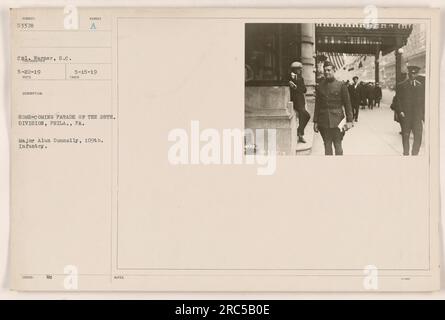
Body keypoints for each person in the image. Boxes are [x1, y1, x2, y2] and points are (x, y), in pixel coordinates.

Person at [313, 61, 354, 155]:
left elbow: (348, 104)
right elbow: (317, 105)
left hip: (338, 121)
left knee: (338, 145)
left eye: (329, 70)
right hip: (323, 122)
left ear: (334, 70)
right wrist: (315, 121)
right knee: (327, 146)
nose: (326, 72)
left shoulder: (341, 85)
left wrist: (349, 121)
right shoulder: (320, 86)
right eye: (325, 70)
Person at [394, 65, 425, 155]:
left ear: (417, 74)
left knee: (418, 136)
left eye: (415, 74)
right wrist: (400, 111)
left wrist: (423, 115)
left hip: (417, 117)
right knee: (406, 136)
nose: (412, 76)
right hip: (406, 116)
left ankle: (415, 154)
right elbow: (397, 100)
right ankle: (406, 153)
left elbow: (423, 102)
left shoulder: (420, 86)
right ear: (408, 74)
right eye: (411, 74)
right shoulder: (401, 85)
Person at [289, 61, 310, 143]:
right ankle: (299, 132)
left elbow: (304, 90)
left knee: (303, 117)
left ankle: (300, 135)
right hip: (295, 101)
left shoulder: (300, 78)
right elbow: (296, 90)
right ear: (294, 70)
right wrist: (298, 88)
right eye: (298, 69)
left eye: (300, 69)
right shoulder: (289, 78)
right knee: (307, 115)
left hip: (301, 101)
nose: (300, 71)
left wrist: (296, 87)